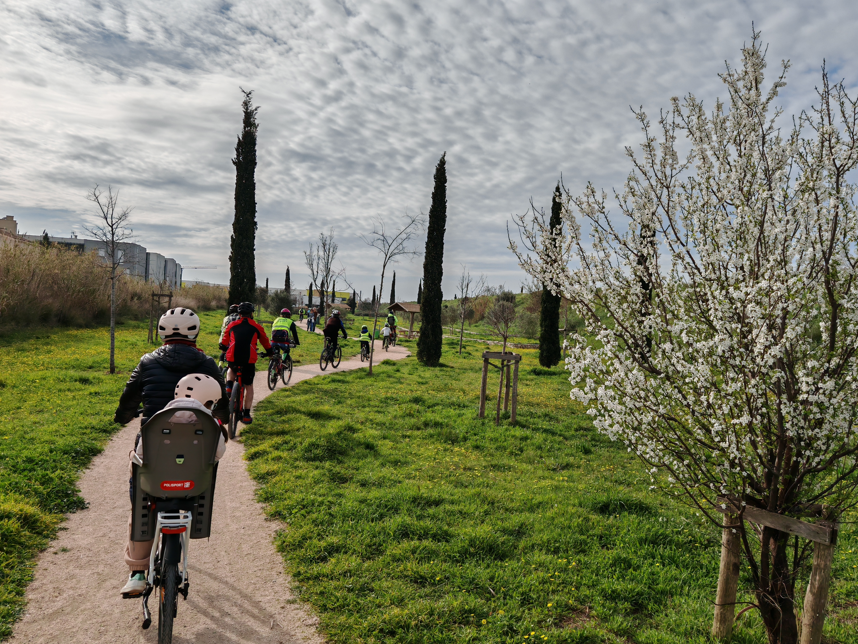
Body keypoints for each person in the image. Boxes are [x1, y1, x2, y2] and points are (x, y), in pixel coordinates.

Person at [114, 309, 228, 594]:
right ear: (195, 332)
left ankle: (137, 573)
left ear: (162, 332)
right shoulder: (208, 364)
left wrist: (123, 416)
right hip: (196, 455)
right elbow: (223, 408)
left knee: (141, 500)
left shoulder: (147, 362)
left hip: (155, 452)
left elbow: (129, 398)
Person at [219, 302, 272, 424]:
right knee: (249, 386)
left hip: (233, 357)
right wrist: (270, 353)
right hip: (248, 360)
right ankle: (246, 414)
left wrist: (223, 348)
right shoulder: (257, 326)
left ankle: (229, 386)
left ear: (239, 314)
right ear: (251, 314)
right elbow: (265, 342)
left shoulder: (232, 325)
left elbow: (224, 341)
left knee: (231, 368)